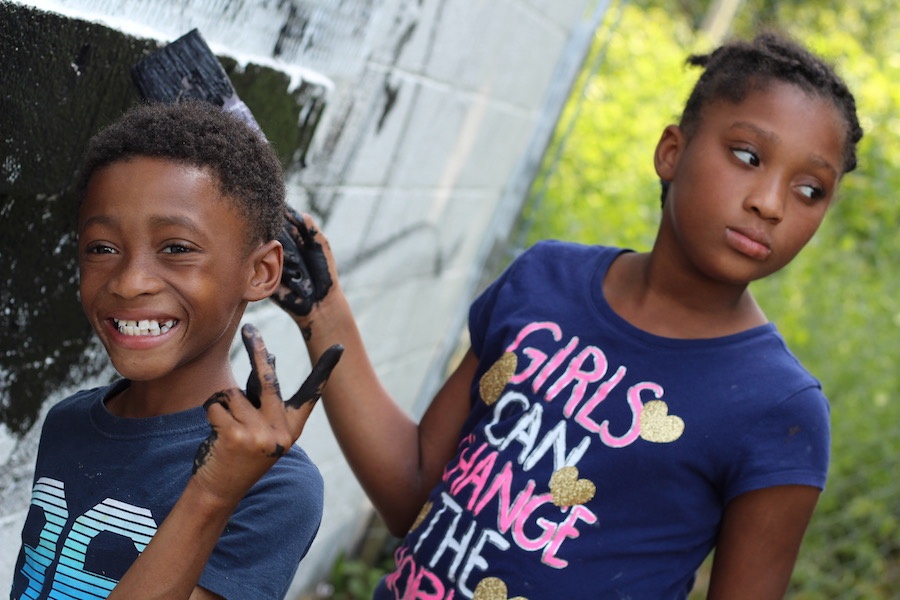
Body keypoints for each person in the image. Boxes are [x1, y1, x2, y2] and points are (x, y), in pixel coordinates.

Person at [272, 31, 863, 599]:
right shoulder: (544, 281)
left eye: (810, 190)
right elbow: (412, 490)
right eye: (747, 155)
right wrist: (324, 314)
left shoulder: (778, 410)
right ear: (671, 152)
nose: (770, 203)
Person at [10, 101, 341, 600]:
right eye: (102, 247)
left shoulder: (274, 487)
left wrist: (212, 493)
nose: (130, 281)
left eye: (177, 248)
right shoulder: (68, 421)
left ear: (261, 273)